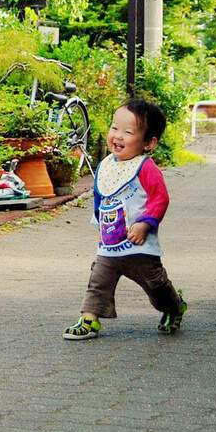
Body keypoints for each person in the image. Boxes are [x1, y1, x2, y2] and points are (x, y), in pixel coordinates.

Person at [63, 99, 186, 340]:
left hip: (139, 246)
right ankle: (89, 320)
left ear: (149, 143)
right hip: (110, 245)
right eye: (114, 128)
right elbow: (101, 195)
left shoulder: (146, 168)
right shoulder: (105, 166)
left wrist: (145, 223)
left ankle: (174, 306)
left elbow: (160, 198)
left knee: (157, 286)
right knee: (98, 280)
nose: (117, 136)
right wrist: (99, 220)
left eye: (128, 132)